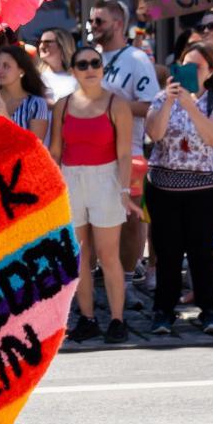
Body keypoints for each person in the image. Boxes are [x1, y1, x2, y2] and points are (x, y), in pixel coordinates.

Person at [143, 40, 213, 337]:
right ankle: (163, 311)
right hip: (165, 187)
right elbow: (154, 133)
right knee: (167, 252)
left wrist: (192, 108)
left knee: (201, 251)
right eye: (186, 65)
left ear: (210, 71)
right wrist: (170, 101)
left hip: (206, 188)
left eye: (198, 67)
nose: (190, 72)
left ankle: (209, 309)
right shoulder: (160, 98)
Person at [49, 46, 135, 345]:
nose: (90, 68)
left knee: (108, 253)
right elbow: (56, 151)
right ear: (73, 71)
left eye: (95, 63)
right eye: (83, 64)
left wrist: (124, 189)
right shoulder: (62, 105)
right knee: (80, 254)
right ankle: (87, 318)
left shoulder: (117, 104)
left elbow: (125, 154)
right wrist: (52, 188)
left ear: (102, 67)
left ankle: (117, 319)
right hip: (72, 179)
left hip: (106, 179)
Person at [89, 0, 155, 276]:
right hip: (90, 154)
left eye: (99, 21)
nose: (93, 26)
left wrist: (111, 105)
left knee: (129, 220)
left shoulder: (137, 59)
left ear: (117, 24)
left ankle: (127, 279)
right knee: (91, 220)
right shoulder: (88, 58)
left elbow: (150, 105)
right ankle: (94, 277)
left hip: (128, 151)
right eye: (91, 21)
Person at [0, 42, 50, 142]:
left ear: (22, 71)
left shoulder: (36, 104)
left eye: (6, 66)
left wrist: (6, 118)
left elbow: (35, 146)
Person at [36, 27, 77, 100]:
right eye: (40, 42)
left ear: (62, 45)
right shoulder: (34, 76)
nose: (41, 46)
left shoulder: (77, 77)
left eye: (47, 42)